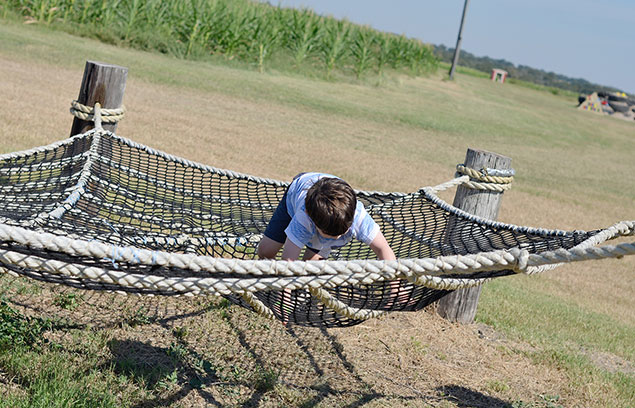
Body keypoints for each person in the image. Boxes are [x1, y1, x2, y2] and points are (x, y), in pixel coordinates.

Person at [257, 172, 396, 262]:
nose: (335, 238)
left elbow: (383, 249)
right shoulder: (303, 217)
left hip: (325, 197)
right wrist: (284, 298)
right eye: (328, 234)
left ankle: (305, 294)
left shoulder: (358, 216)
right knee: (265, 251)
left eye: (342, 232)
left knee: (311, 267)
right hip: (297, 193)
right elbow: (288, 260)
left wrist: (395, 289)